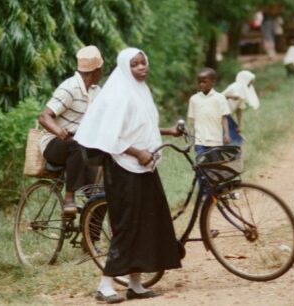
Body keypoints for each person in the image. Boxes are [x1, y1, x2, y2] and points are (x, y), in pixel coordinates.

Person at [75, 48, 182, 303]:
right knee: (126, 225)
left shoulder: (140, 91)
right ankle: (105, 286)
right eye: (135, 65)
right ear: (125, 68)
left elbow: (142, 126)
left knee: (147, 223)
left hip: (146, 166)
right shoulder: (118, 94)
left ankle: (135, 284)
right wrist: (136, 152)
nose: (141, 68)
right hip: (123, 168)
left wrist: (166, 134)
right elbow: (109, 136)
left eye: (143, 62)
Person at [38, 45, 103, 215]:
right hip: (54, 144)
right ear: (95, 70)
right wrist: (59, 131)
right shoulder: (70, 88)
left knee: (99, 196)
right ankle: (69, 197)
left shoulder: (97, 92)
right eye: (101, 69)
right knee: (76, 143)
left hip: (80, 148)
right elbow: (44, 117)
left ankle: (90, 239)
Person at [187, 68, 231, 155]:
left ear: (213, 82)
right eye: (199, 82)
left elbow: (224, 117)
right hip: (199, 140)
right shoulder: (194, 99)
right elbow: (191, 121)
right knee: (201, 164)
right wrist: (190, 140)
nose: (201, 84)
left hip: (215, 139)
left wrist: (226, 134)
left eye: (204, 82)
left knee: (215, 165)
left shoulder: (220, 98)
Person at [222, 70, 260, 145]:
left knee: (237, 134)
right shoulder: (234, 87)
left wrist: (239, 125)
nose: (251, 84)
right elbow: (219, 97)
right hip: (220, 114)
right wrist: (231, 96)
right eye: (250, 82)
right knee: (232, 137)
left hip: (227, 115)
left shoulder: (243, 92)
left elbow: (239, 109)